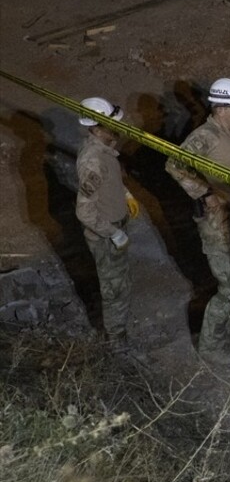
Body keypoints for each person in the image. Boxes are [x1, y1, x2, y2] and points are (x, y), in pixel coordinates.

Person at [165, 77, 230, 366]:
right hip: (217, 224)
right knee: (228, 288)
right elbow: (173, 164)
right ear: (220, 109)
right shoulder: (206, 135)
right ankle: (210, 346)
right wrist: (204, 192)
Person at [74, 97, 136, 345]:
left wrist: (125, 194)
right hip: (104, 236)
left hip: (113, 228)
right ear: (96, 128)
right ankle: (117, 346)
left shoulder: (104, 150)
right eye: (112, 124)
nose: (119, 128)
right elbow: (84, 211)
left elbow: (108, 184)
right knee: (114, 291)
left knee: (120, 283)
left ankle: (118, 337)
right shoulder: (94, 160)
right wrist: (113, 233)